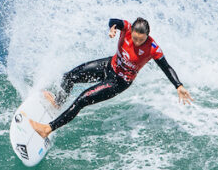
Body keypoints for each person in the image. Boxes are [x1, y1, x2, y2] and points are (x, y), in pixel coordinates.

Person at [29, 17, 193, 138]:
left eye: (140, 40)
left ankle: (47, 129)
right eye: (135, 38)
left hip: (119, 82)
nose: (136, 42)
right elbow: (113, 21)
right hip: (109, 66)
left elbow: (166, 67)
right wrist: (112, 28)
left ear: (148, 36)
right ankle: (58, 102)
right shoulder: (127, 28)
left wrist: (178, 85)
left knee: (82, 99)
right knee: (69, 77)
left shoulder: (153, 48)